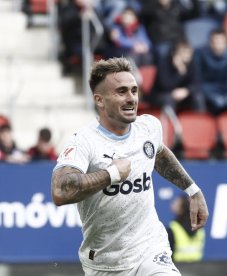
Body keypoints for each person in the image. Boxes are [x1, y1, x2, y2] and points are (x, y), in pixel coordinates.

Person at [51, 57, 208, 276]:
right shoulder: (84, 141)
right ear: (100, 100)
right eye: (121, 92)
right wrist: (111, 174)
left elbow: (159, 153)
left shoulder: (149, 127)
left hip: (150, 248)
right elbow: (60, 190)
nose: (131, 98)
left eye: (134, 91)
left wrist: (192, 190)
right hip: (106, 262)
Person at [151, 40, 205, 113]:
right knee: (169, 99)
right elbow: (165, 86)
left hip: (184, 94)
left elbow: (197, 83)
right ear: (175, 54)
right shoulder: (164, 63)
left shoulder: (192, 63)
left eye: (189, 53)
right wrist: (180, 74)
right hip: (163, 94)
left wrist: (187, 91)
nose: (187, 56)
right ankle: (170, 123)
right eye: (184, 53)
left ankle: (199, 122)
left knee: (198, 97)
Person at [195, 28, 227, 115]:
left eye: (221, 42)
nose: (218, 45)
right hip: (206, 89)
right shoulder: (200, 53)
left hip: (224, 89)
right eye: (215, 41)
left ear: (226, 43)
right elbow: (198, 78)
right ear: (210, 43)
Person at [167, 194, 205, 262]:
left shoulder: (173, 229)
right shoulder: (199, 228)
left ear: (182, 208)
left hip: (178, 267)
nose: (172, 204)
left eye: (176, 203)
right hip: (197, 268)